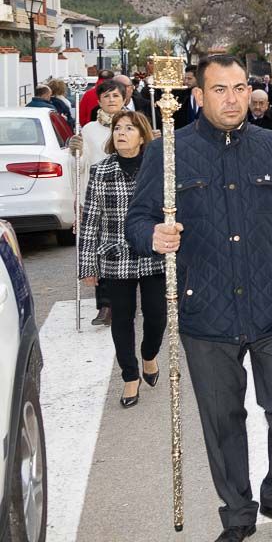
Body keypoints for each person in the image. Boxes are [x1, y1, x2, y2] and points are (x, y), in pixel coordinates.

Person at [126, 55, 272, 542]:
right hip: (205, 313)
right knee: (222, 419)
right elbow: (137, 221)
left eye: (240, 88)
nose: (233, 98)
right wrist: (154, 235)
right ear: (198, 96)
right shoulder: (168, 152)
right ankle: (238, 515)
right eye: (220, 89)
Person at [77, 110, 165, 408]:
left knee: (157, 316)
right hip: (116, 255)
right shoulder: (102, 171)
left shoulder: (159, 168)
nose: (121, 133)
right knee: (122, 319)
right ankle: (129, 376)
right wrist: (87, 265)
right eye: (117, 128)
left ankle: (149, 355)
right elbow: (90, 220)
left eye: (129, 128)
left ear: (143, 135)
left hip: (153, 252)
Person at [75, 79, 129, 326]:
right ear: (98, 101)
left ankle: (126, 300)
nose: (111, 100)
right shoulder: (88, 130)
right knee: (102, 250)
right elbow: (81, 164)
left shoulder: (134, 123)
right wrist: (74, 151)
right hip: (100, 196)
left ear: (124, 99)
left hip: (129, 193)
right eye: (106, 96)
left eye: (115, 96)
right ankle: (105, 305)